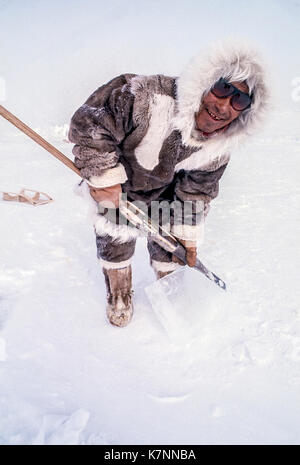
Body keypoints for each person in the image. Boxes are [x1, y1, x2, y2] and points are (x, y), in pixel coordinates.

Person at [68, 39, 269, 328]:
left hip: (164, 195)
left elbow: (198, 189)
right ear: (205, 82)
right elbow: (91, 125)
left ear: (245, 111)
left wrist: (188, 232)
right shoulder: (148, 97)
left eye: (240, 100)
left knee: (172, 248)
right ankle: (119, 293)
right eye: (223, 88)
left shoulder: (219, 146)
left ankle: (171, 291)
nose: (224, 105)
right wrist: (103, 176)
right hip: (119, 186)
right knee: (115, 240)